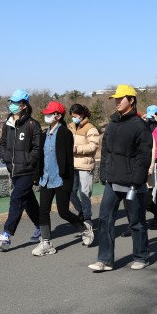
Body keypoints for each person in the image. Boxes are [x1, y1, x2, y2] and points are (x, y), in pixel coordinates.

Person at [89, 85, 153, 272]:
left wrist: (136, 180)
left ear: (131, 100)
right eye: (115, 99)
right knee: (105, 219)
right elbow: (106, 152)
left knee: (136, 221)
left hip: (132, 182)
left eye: (120, 98)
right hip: (112, 180)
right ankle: (105, 260)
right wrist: (104, 173)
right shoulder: (112, 124)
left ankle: (141, 256)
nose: (117, 102)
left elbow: (144, 156)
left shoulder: (140, 125)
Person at [31, 101, 88, 256]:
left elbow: (68, 160)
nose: (46, 116)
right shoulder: (44, 134)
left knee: (63, 212)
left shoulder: (65, 133)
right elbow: (41, 157)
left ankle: (83, 228)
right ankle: (46, 243)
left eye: (49, 113)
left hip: (61, 179)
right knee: (43, 211)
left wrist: (69, 182)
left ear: (58, 115)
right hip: (46, 179)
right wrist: (36, 176)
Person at [0, 89, 42, 250]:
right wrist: (4, 157)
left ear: (24, 105)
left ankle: (6, 235)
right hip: (12, 169)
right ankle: (42, 227)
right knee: (28, 201)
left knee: (16, 198)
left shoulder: (33, 125)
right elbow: (3, 143)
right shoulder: (8, 124)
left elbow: (37, 148)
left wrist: (29, 162)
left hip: (27, 170)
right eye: (11, 102)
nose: (12, 105)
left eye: (15, 102)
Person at [68, 103, 99, 246]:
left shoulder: (90, 128)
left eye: (75, 116)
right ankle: (81, 211)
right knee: (70, 192)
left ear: (81, 115)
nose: (73, 118)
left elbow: (93, 146)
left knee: (85, 193)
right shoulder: (70, 127)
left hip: (85, 165)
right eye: (72, 116)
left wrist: (77, 149)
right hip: (71, 165)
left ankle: (87, 218)